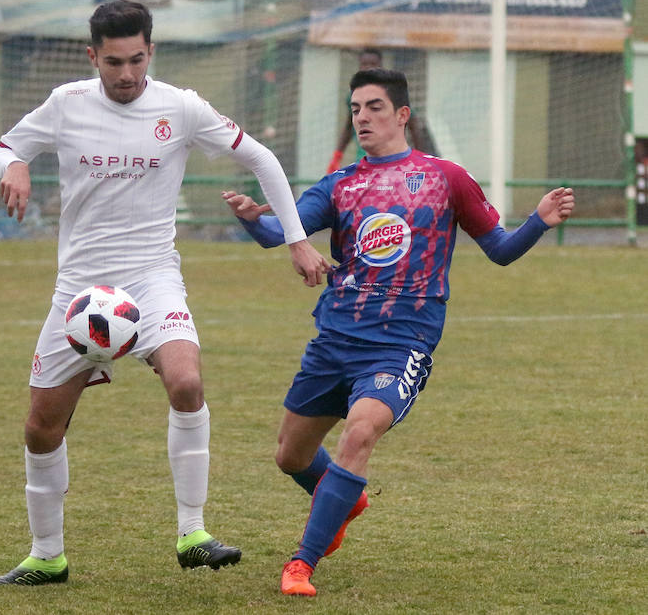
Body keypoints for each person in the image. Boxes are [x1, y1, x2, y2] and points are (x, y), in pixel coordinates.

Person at [0, 0, 329, 586]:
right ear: (93, 56)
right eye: (113, 62)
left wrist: (296, 241)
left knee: (187, 381)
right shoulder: (67, 103)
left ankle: (192, 533)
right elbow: (2, 149)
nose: (125, 74)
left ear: (152, 52)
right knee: (42, 426)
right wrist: (12, 165)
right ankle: (47, 556)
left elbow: (262, 158)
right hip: (80, 293)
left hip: (151, 277)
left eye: (136, 60)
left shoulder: (182, 107)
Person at [222, 67, 575, 597]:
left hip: (401, 342)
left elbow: (498, 250)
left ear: (402, 114)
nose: (362, 117)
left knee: (360, 432)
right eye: (355, 108)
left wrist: (539, 222)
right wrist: (253, 218)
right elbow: (282, 232)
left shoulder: (445, 177)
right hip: (336, 336)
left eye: (374, 107)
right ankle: (345, 498)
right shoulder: (341, 184)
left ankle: (302, 562)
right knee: (290, 456)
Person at [327, 48, 438, 173]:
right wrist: (337, 155)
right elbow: (348, 127)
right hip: (363, 160)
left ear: (380, 65)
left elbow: (413, 124)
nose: (368, 68)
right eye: (364, 64)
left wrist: (420, 157)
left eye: (375, 108)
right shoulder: (353, 95)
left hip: (389, 160)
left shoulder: (389, 93)